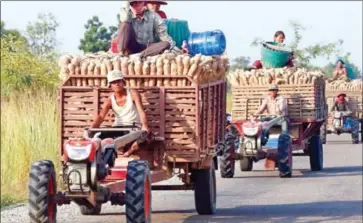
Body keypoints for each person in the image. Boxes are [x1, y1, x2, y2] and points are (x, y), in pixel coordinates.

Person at [91, 70, 149, 157]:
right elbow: (101, 116)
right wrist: (91, 129)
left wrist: (144, 126)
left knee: (144, 136)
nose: (117, 84)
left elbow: (141, 111)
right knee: (98, 135)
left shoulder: (133, 94)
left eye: (118, 81)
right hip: (117, 128)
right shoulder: (110, 100)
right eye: (114, 82)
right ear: (110, 85)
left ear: (123, 82)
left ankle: (128, 151)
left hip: (132, 128)